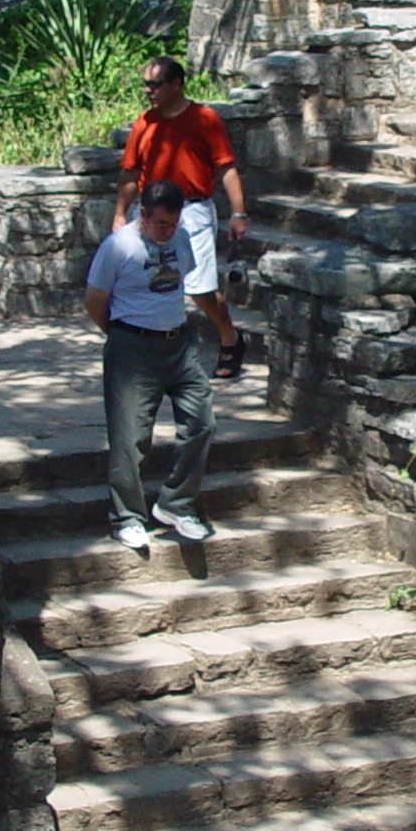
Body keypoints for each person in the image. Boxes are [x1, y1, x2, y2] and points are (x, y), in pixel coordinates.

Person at [83, 177, 215, 552]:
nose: (167, 232)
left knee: (202, 422)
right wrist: (122, 335)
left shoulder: (180, 238)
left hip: (179, 344)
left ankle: (176, 503)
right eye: (160, 224)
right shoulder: (118, 247)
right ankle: (127, 517)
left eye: (172, 225)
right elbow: (94, 300)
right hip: (132, 347)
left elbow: (182, 280)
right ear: (143, 215)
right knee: (131, 438)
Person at [114, 55, 250, 380]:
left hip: (192, 210)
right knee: (149, 282)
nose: (149, 90)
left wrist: (238, 212)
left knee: (200, 287)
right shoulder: (144, 123)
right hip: (150, 212)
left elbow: (226, 167)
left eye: (156, 84)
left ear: (176, 84)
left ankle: (230, 337)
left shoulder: (204, 119)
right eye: (146, 84)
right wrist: (120, 213)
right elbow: (130, 174)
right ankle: (154, 352)